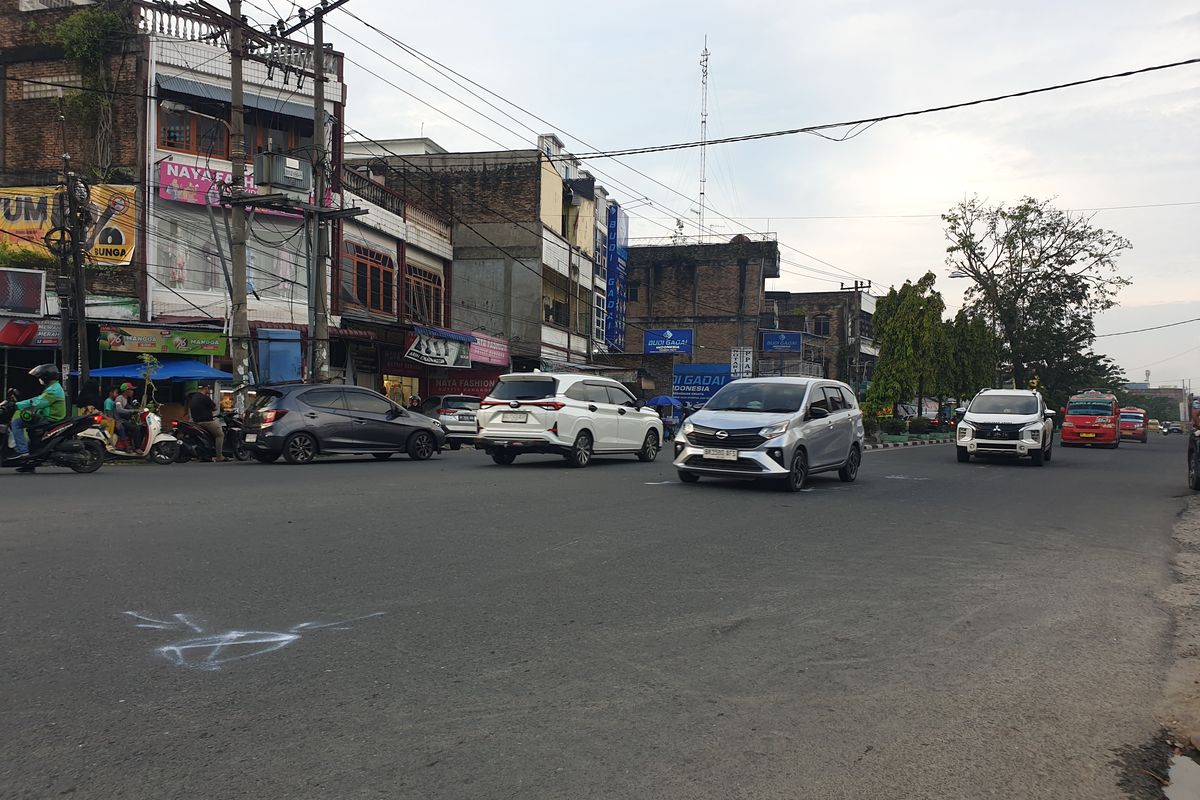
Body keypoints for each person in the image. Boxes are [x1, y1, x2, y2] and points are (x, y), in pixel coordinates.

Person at [10, 364, 67, 459]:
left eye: (40, 377)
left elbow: (38, 402)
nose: (39, 379)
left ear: (46, 377)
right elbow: (39, 400)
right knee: (27, 421)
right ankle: (29, 452)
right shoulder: (52, 387)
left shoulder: (53, 390)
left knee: (16, 423)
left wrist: (16, 405)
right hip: (48, 416)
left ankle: (22, 451)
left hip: (50, 418)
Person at [187, 384, 225, 462]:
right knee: (220, 435)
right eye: (207, 388)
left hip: (196, 422)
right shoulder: (205, 397)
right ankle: (219, 456)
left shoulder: (193, 397)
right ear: (205, 388)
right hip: (206, 422)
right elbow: (215, 408)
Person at [113, 382, 138, 451]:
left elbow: (129, 408)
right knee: (136, 429)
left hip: (122, 420)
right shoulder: (119, 399)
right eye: (131, 390)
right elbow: (119, 410)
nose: (132, 391)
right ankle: (132, 447)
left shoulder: (125, 399)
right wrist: (132, 411)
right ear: (125, 391)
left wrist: (137, 410)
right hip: (119, 420)